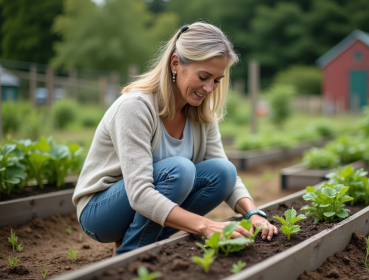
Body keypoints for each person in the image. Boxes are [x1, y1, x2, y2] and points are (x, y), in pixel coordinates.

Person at [72, 22, 278, 256]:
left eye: (217, 80)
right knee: (179, 171)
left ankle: (141, 239)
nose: (210, 88)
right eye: (203, 77)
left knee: (224, 171)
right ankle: (131, 253)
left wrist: (252, 214)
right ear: (175, 63)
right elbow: (139, 194)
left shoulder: (201, 113)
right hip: (101, 211)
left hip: (144, 205)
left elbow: (228, 179)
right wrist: (207, 227)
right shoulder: (135, 107)